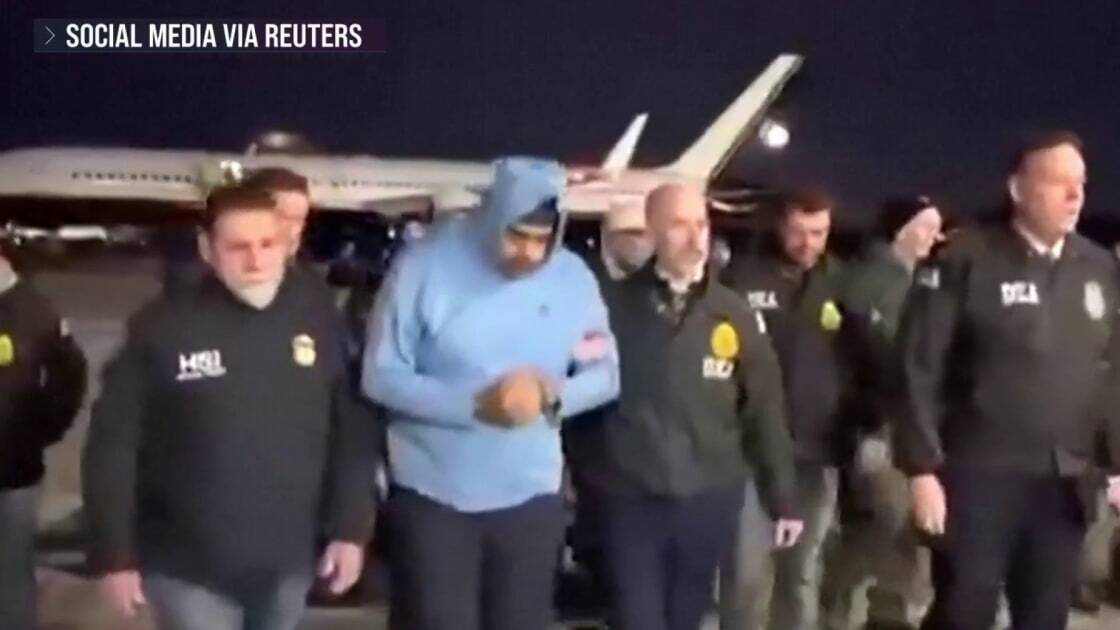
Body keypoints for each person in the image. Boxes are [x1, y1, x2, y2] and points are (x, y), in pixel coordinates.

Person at [83, 186, 375, 630]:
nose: (255, 260)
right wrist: (114, 554)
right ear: (208, 250)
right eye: (238, 247)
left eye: (267, 244)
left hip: (288, 565)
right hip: (188, 569)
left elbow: (350, 431)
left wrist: (350, 530)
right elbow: (112, 445)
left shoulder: (317, 317)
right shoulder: (161, 327)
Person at [362, 157, 619, 630]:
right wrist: (474, 407)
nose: (529, 252)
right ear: (491, 217)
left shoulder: (573, 279)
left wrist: (552, 398)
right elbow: (381, 375)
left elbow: (605, 374)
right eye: (517, 236)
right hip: (435, 496)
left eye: (542, 240)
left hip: (530, 496)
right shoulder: (422, 268)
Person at [896, 130, 1120, 630]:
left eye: (1081, 183)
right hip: (978, 474)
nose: (1075, 195)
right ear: (1018, 189)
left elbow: (1110, 372)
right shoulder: (965, 257)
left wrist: (1116, 462)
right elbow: (918, 366)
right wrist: (921, 468)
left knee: (1045, 614)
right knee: (964, 610)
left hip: (1064, 481)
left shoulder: (1098, 266)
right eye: (1058, 182)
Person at [581, 182, 801, 630]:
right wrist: (594, 476)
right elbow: (582, 404)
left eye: (701, 224)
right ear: (653, 230)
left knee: (685, 617)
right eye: (679, 225)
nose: (695, 237)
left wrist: (783, 497)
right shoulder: (612, 308)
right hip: (630, 499)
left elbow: (763, 407)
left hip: (706, 497)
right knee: (636, 618)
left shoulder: (733, 313)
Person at [719, 191, 864, 630]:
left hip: (818, 451)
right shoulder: (741, 279)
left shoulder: (842, 281)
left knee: (801, 571)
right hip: (752, 452)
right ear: (780, 226)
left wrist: (858, 420)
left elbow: (870, 359)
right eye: (799, 232)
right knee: (746, 575)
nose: (808, 243)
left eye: (818, 232)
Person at [821, 196, 945, 630]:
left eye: (937, 227)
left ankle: (885, 610)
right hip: (877, 424)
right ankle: (837, 600)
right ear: (900, 229)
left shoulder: (918, 280)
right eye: (925, 226)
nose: (934, 236)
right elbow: (885, 356)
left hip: (908, 423)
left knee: (905, 520)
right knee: (886, 518)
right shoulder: (871, 282)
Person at [0, 243, 87, 630]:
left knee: (12, 570)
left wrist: (42, 430)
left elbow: (69, 378)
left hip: (14, 472)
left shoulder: (35, 312)